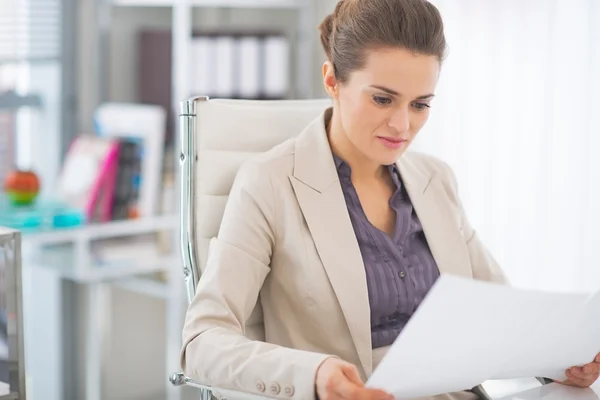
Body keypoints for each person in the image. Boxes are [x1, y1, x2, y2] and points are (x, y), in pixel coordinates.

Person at [180, 0, 600, 399]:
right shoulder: (269, 183)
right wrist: (313, 374)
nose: (402, 125)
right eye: (382, 98)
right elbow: (201, 343)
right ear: (332, 80)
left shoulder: (436, 180)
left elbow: (505, 317)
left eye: (420, 104)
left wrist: (561, 361)